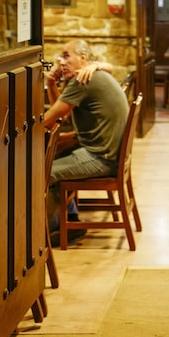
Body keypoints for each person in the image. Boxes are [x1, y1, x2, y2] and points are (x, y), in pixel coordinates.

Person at [43, 40, 129, 236]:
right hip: (110, 154)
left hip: (103, 158)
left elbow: (49, 120)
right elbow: (63, 115)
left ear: (83, 58)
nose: (60, 62)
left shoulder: (82, 80)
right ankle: (70, 219)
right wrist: (50, 83)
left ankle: (53, 231)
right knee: (54, 155)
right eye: (60, 57)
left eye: (66, 56)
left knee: (43, 172)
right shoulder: (93, 74)